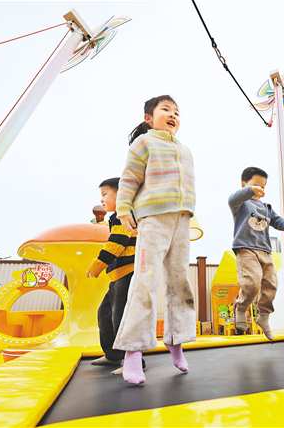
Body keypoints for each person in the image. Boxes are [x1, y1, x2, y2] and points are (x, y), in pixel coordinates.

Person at [113, 95, 196, 385]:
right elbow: (129, 178)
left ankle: (176, 340)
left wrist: (189, 214)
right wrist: (123, 208)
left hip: (181, 220)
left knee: (180, 282)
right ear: (149, 118)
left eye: (177, 112)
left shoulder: (185, 150)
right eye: (166, 109)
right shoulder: (144, 143)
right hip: (153, 219)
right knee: (145, 281)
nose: (173, 115)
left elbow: (185, 187)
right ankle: (133, 350)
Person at [228, 167, 284, 340]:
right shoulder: (241, 204)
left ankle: (264, 316)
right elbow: (232, 199)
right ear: (243, 184)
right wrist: (249, 191)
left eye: (263, 186)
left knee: (271, 284)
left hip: (265, 250)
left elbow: (277, 221)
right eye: (256, 185)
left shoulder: (267, 208)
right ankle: (241, 307)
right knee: (252, 282)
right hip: (246, 248)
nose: (260, 189)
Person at [86, 178, 144, 372]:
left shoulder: (124, 214)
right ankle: (113, 356)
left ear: (122, 195)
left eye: (105, 194)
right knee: (104, 314)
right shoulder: (115, 217)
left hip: (128, 273)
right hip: (118, 276)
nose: (101, 199)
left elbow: (117, 242)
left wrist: (98, 265)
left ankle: (134, 361)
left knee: (121, 317)